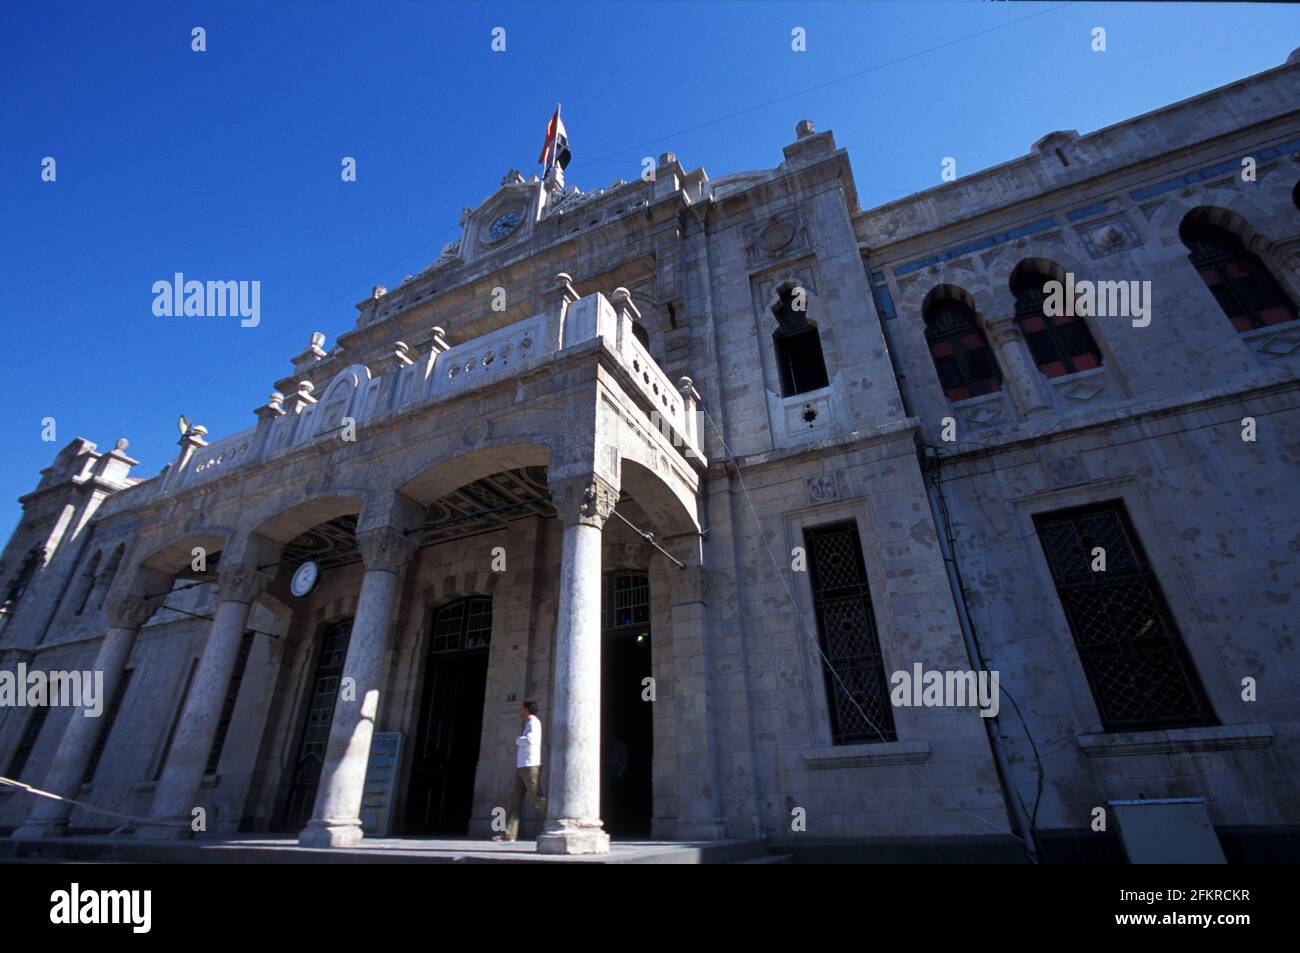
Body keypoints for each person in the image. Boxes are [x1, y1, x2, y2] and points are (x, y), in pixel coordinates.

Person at [492, 700, 548, 842]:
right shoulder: (528, 723)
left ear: (527, 710)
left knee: (537, 798)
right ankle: (509, 833)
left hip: (530, 765)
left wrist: (517, 740)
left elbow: (530, 740)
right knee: (514, 800)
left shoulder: (534, 723)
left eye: (521, 708)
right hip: (522, 765)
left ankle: (554, 821)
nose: (519, 711)